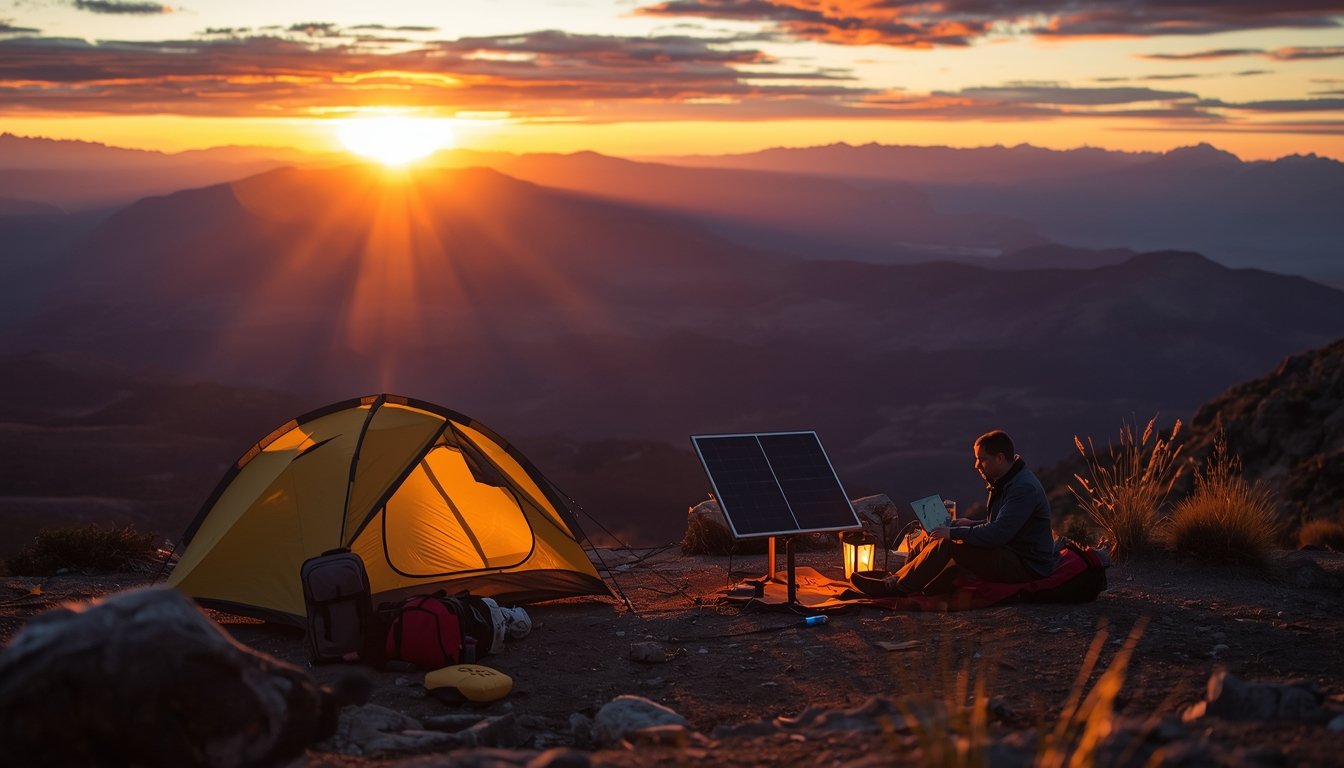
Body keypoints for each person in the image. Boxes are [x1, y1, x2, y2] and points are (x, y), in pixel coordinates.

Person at [852, 430, 1058, 597]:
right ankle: (896, 579)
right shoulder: (1006, 482)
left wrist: (955, 533)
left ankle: (894, 589)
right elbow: (1002, 524)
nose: (976, 465)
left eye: (981, 459)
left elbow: (998, 533)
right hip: (1011, 550)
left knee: (949, 542)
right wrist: (969, 523)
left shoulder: (1022, 488)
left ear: (1000, 458)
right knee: (937, 533)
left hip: (1026, 564)